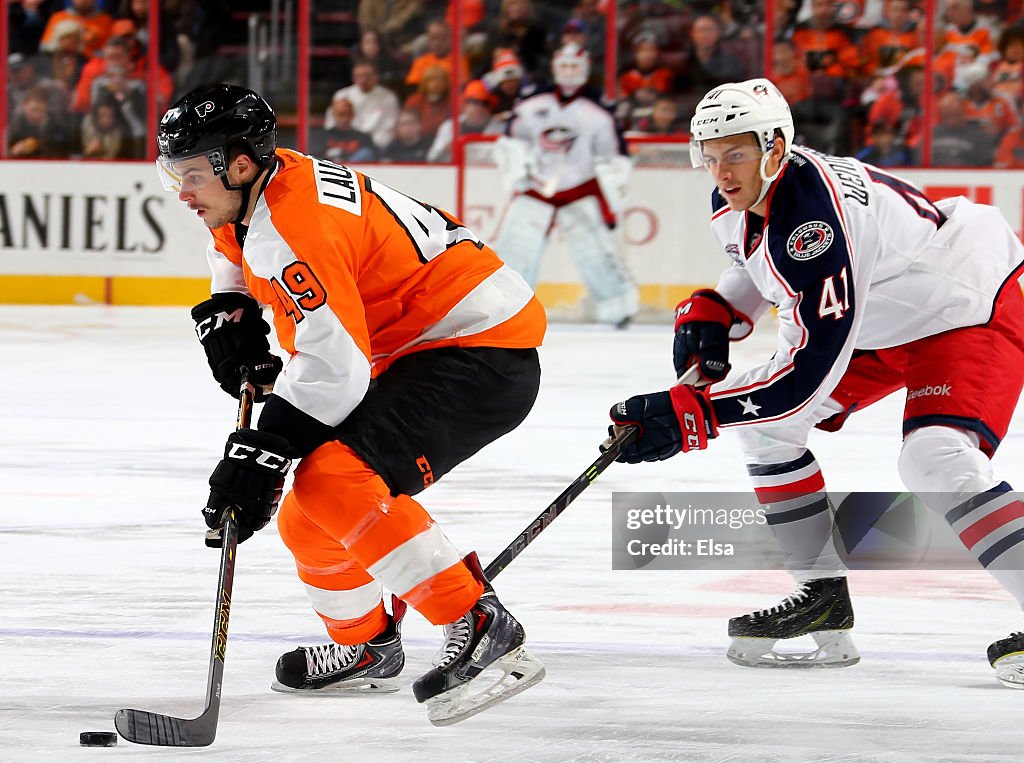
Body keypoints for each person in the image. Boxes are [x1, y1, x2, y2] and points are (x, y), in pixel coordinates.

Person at [607, 78, 1024, 688]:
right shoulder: (745, 193)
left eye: (737, 153)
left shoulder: (815, 224)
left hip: (965, 302)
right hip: (879, 313)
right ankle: (821, 598)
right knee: (768, 436)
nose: (722, 171)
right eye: (711, 154)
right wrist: (721, 305)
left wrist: (693, 411)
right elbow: (756, 259)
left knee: (936, 460)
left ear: (776, 148)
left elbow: (801, 378)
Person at [156, 83, 548, 724]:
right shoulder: (258, 195)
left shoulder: (294, 225)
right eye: (176, 172)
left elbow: (334, 372)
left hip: (480, 351)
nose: (182, 190)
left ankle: (479, 624)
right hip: (422, 344)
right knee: (309, 515)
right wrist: (233, 312)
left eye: (193, 173)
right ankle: (368, 647)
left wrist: (261, 452)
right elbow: (233, 249)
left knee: (333, 481)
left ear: (241, 163)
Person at [491, 43, 639, 327]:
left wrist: (612, 189)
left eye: (575, 67)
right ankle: (507, 307)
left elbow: (615, 157)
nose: (569, 73)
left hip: (579, 190)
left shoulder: (599, 112)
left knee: (595, 252)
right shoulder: (532, 104)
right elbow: (510, 142)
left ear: (584, 70)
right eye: (564, 66)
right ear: (555, 69)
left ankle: (618, 308)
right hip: (537, 190)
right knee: (515, 248)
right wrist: (517, 173)